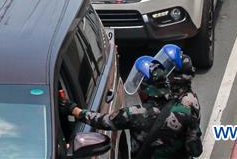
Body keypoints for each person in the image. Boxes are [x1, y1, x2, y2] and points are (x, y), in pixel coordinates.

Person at [65, 55, 202, 158]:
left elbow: (102, 121)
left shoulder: (134, 114)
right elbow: (195, 151)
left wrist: (73, 109)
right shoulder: (186, 112)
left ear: (144, 91)